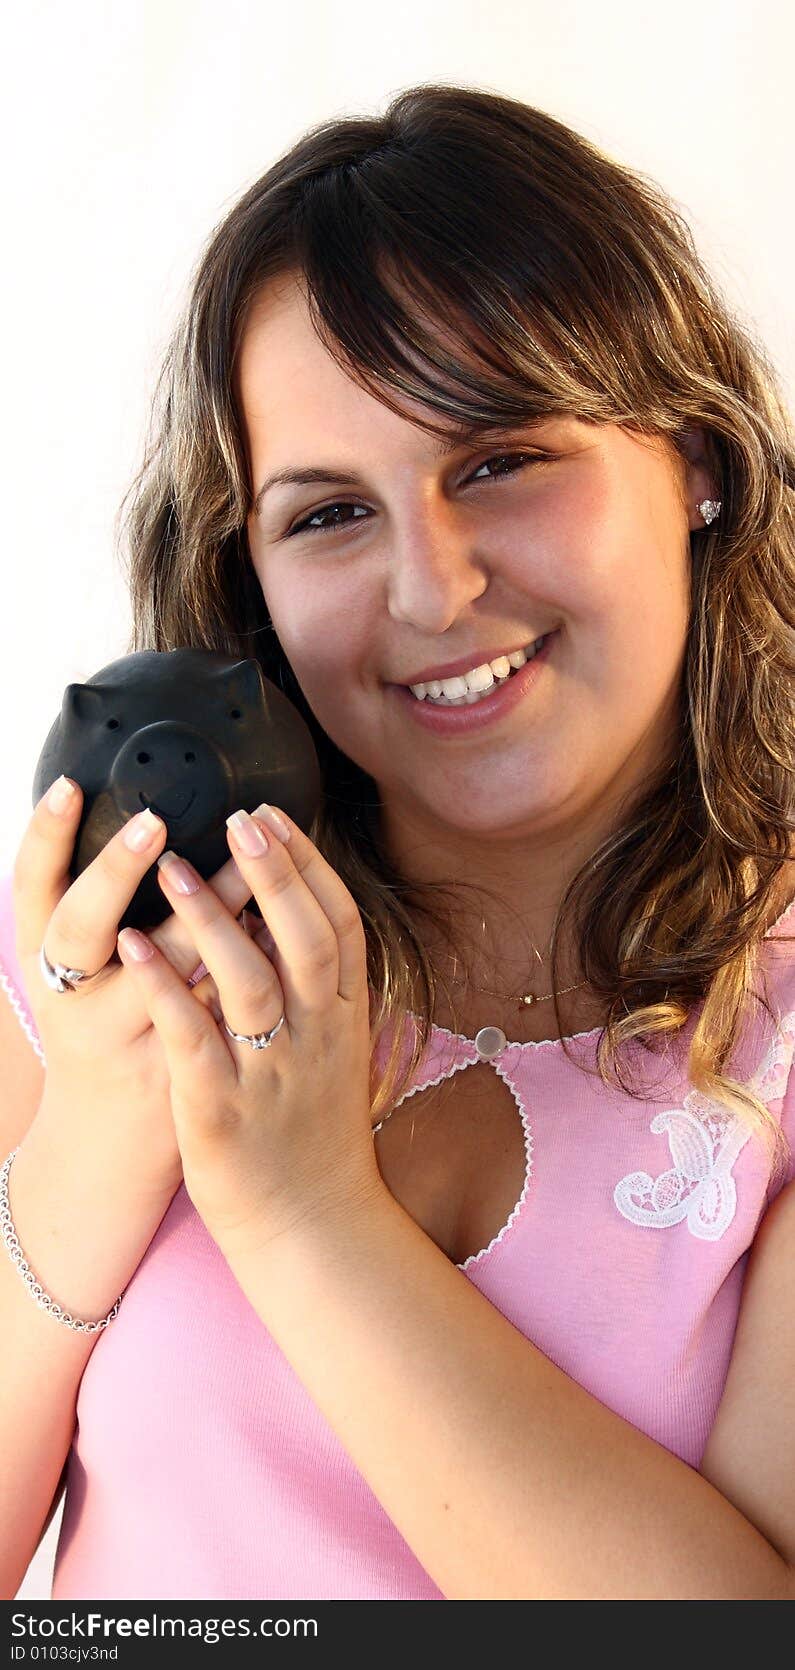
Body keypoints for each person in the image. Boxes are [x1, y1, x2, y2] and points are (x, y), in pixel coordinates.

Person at [1, 84, 794, 1603]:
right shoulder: (107, 946)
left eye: (499, 460)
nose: (430, 590)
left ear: (695, 456)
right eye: (326, 515)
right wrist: (95, 1132)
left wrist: (305, 1214)